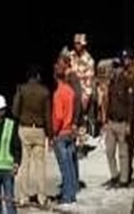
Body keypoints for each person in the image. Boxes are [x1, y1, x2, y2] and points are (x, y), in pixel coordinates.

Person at [11, 65, 51, 205]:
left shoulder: (21, 89)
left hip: (25, 129)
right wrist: (50, 134)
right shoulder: (44, 92)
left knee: (24, 164)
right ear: (38, 77)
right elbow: (47, 115)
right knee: (40, 166)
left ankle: (23, 197)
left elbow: (15, 111)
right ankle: (41, 197)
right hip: (39, 130)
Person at [102, 52, 134, 187]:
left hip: (122, 122)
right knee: (109, 151)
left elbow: (130, 105)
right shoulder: (111, 82)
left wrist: (128, 123)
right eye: (114, 67)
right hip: (111, 121)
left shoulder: (126, 82)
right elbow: (107, 102)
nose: (115, 70)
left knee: (123, 153)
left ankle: (123, 179)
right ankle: (114, 175)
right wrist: (105, 121)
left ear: (122, 68)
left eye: (117, 67)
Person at [50, 59, 79, 205]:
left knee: (64, 167)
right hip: (69, 132)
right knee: (70, 166)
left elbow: (58, 116)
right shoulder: (71, 92)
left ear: (56, 77)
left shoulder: (58, 94)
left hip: (61, 133)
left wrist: (53, 132)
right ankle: (72, 192)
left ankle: (67, 196)